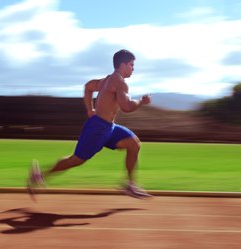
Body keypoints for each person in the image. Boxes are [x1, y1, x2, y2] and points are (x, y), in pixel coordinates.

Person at [27, 49, 152, 199]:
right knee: (76, 160)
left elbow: (88, 86)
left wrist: (90, 109)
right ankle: (40, 174)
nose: (133, 68)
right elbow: (126, 107)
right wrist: (141, 102)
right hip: (97, 128)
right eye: (132, 65)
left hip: (108, 127)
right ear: (123, 64)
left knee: (134, 144)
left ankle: (130, 185)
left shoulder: (106, 80)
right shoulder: (119, 83)